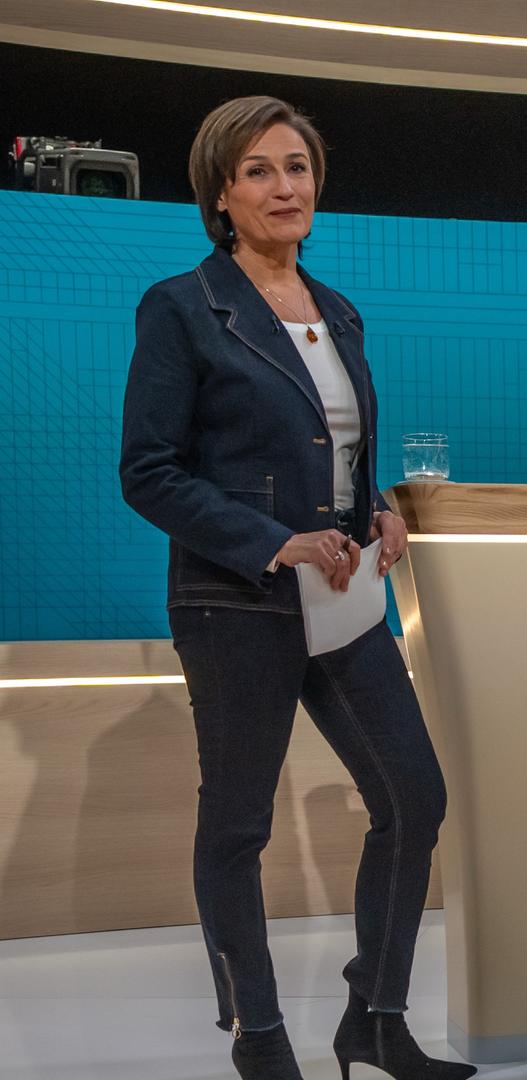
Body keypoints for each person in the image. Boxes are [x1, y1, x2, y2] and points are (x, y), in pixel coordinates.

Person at [119, 97, 472, 1080]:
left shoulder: (340, 310)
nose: (286, 187)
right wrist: (275, 542)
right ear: (221, 194)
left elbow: (339, 457)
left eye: (298, 167)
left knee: (416, 798)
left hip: (347, 596)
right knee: (239, 822)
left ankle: (376, 1016)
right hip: (236, 601)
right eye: (261, 171)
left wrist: (376, 517)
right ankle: (258, 1033)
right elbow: (148, 471)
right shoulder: (184, 307)